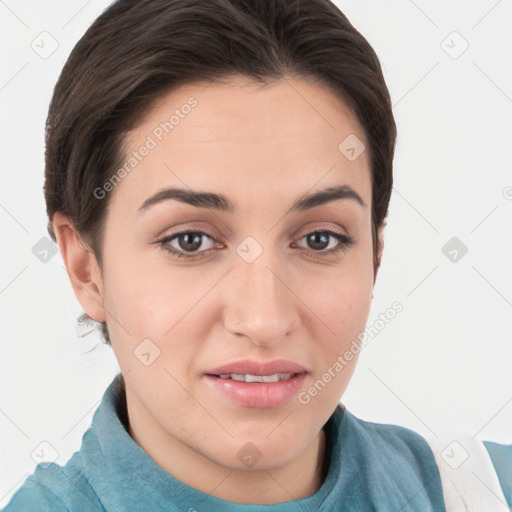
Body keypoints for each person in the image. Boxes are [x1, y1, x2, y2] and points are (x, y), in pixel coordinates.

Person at [2, 0, 511, 510]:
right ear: (85, 268)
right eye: (190, 241)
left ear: (375, 255)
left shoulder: (488, 491)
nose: (264, 319)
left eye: (320, 239)